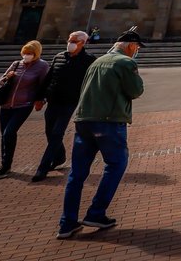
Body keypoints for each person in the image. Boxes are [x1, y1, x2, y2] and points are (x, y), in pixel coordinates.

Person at [56, 30, 145, 240]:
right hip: (108, 122)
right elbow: (136, 91)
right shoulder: (125, 63)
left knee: (77, 174)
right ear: (131, 45)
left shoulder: (97, 62)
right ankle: (96, 213)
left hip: (83, 121)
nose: (137, 51)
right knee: (116, 165)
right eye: (138, 47)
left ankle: (67, 223)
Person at [32, 30, 95, 182]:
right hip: (53, 100)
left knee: (57, 133)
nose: (70, 43)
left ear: (83, 43)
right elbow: (48, 78)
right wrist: (40, 97)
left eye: (74, 41)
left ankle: (43, 168)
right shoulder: (59, 57)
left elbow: (91, 83)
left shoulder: (89, 60)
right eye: (69, 40)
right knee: (49, 131)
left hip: (70, 102)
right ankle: (60, 156)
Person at [0, 40, 49, 179]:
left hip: (24, 105)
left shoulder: (42, 66)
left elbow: (44, 85)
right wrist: (7, 77)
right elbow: (1, 80)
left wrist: (41, 100)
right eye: (25, 52)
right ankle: (5, 164)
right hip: (6, 104)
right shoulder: (17, 64)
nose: (26, 55)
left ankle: (6, 165)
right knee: (4, 135)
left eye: (30, 53)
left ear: (36, 53)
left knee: (9, 132)